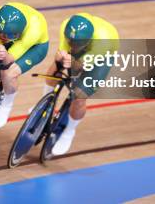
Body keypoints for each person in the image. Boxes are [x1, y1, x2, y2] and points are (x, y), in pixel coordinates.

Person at [43, 12, 119, 155]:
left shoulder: (102, 41)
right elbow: (63, 53)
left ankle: (69, 131)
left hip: (102, 56)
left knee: (79, 96)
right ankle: (45, 106)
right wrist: (62, 58)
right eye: (71, 42)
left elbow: (79, 66)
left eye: (77, 44)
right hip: (84, 45)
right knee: (56, 66)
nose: (73, 46)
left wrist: (71, 61)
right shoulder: (66, 26)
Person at [0, 3, 49, 129]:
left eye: (9, 36)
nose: (4, 37)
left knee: (8, 73)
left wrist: (0, 55)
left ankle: (7, 104)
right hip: (13, 35)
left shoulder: (34, 30)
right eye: (1, 33)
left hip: (34, 48)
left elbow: (8, 60)